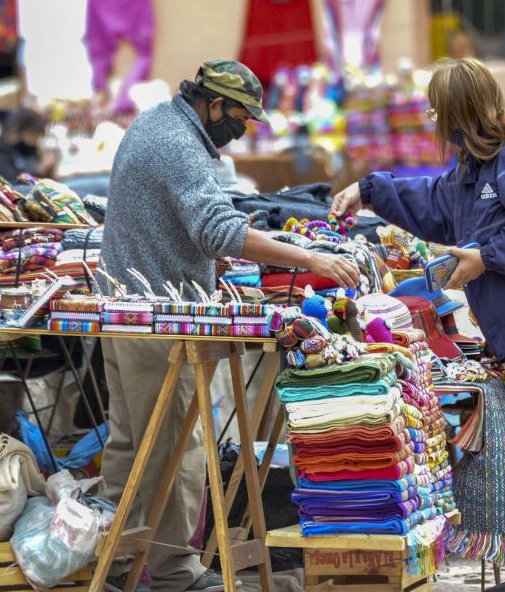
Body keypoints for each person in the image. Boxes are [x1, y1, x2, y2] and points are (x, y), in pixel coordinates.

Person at [331, 57, 505, 592]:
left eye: (437, 107)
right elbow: (432, 201)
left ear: (457, 111)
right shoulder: (476, 169)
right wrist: (368, 190)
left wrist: (485, 257)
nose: (430, 115)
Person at [100, 60, 358, 592]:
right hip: (155, 318)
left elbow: (172, 222)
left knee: (131, 444)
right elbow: (218, 229)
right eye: (239, 116)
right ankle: (175, 573)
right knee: (179, 447)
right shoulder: (178, 142)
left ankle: (115, 566)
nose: (241, 129)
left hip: (122, 307)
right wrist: (307, 258)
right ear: (212, 104)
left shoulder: (152, 123)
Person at [0, 108, 58, 184]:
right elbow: (14, 184)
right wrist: (40, 171)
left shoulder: (29, 150)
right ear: (16, 131)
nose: (36, 139)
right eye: (33, 134)